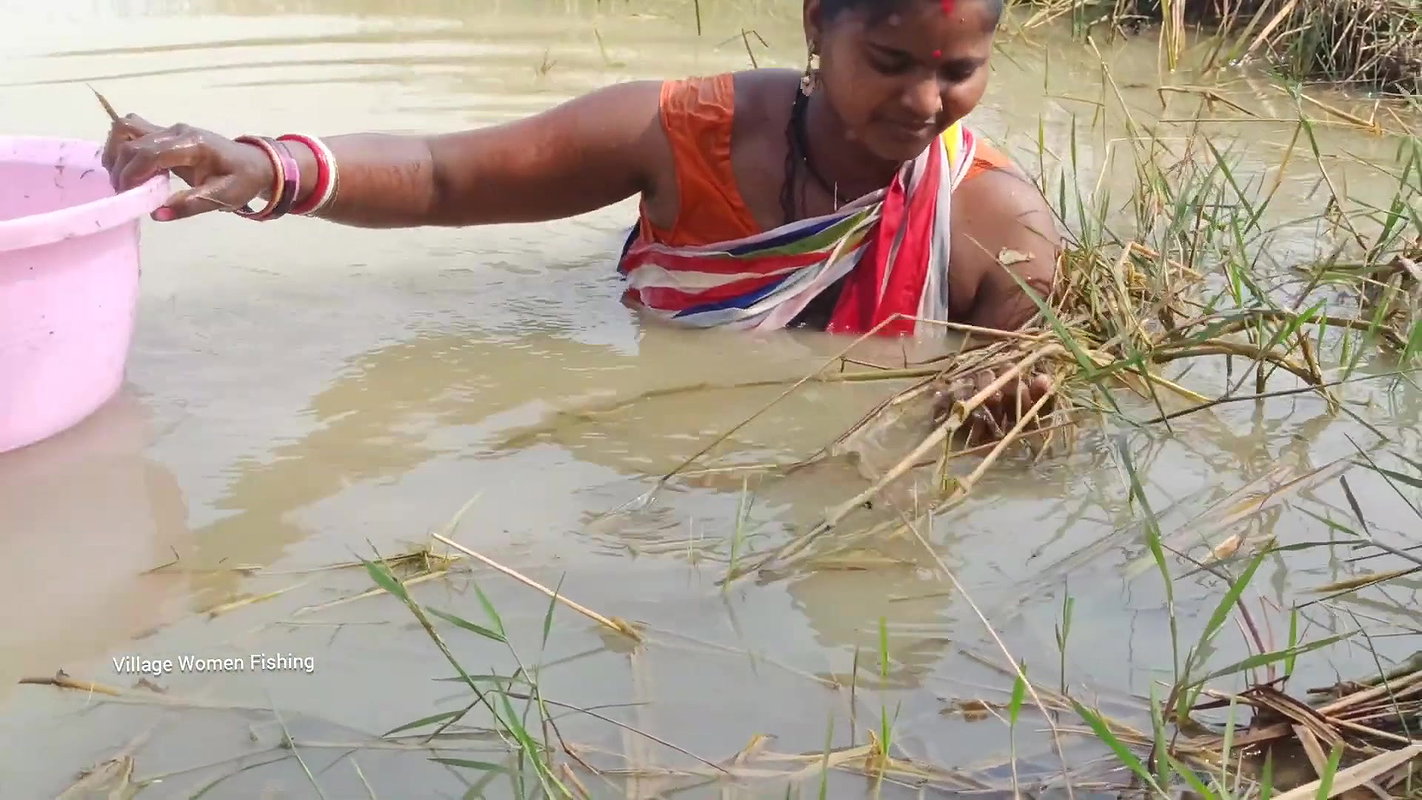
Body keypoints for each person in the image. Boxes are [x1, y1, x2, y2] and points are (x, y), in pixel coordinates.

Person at [102, 0, 1061, 442]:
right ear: (817, 24)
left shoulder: (1000, 229)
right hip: (651, 467)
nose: (924, 101)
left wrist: (1011, 409)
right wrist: (268, 164)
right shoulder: (678, 131)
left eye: (958, 70)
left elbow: (998, 441)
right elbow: (445, 179)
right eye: (891, 60)